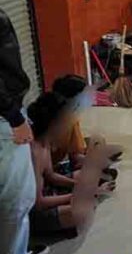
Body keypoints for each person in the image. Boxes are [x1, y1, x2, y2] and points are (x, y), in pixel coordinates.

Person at [0, 0, 54, 254]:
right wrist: (14, 117)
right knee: (16, 195)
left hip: (6, 113)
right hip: (4, 118)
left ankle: (12, 251)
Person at [27, 92, 115, 235]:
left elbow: (51, 175)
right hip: (34, 211)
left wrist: (79, 186)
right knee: (82, 210)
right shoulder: (33, 151)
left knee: (89, 177)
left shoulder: (45, 141)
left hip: (48, 190)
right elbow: (39, 203)